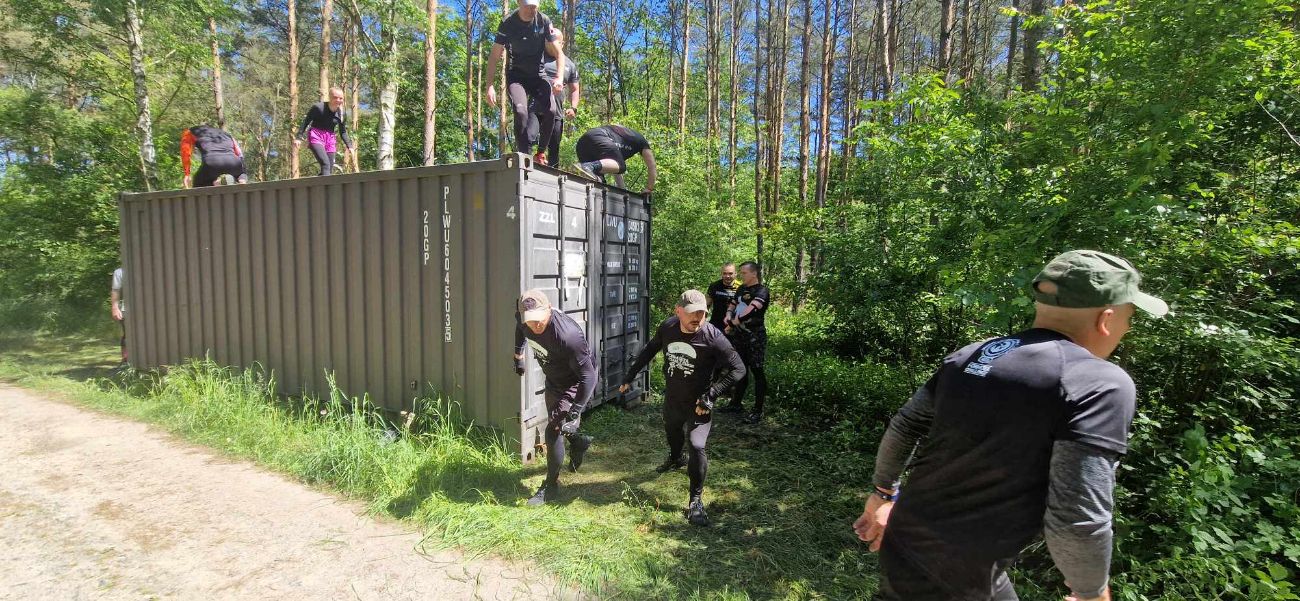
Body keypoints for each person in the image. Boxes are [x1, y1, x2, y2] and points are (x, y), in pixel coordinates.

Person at [852, 250, 1169, 601]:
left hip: (909, 538)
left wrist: (883, 493)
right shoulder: (1098, 384)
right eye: (1130, 317)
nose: (1128, 328)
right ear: (1106, 318)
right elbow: (1076, 515)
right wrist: (1091, 591)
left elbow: (906, 424)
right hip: (962, 571)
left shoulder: (974, 354)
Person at [620, 290, 745, 527]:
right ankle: (676, 458)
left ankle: (695, 500)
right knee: (672, 431)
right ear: (678, 311)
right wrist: (630, 375)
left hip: (699, 403)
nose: (698, 317)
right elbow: (650, 349)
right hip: (673, 398)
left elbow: (739, 369)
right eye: (692, 313)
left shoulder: (712, 336)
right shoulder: (668, 327)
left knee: (697, 445)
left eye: (702, 313)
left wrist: (711, 395)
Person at [514, 289, 595, 506]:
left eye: (539, 319)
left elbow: (589, 376)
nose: (535, 325)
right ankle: (579, 442)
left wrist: (576, 408)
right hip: (554, 380)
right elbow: (520, 329)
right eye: (530, 321)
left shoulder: (568, 335)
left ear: (549, 309)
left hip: (575, 382)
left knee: (553, 431)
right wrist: (518, 355)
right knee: (560, 427)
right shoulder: (524, 319)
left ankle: (550, 487)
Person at [485, 0, 567, 165]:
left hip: (538, 76)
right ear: (518, 3)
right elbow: (494, 56)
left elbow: (559, 53)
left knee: (551, 110)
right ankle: (524, 156)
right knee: (521, 112)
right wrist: (489, 85)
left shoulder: (543, 20)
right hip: (516, 77)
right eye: (528, 7)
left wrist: (559, 77)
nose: (531, 11)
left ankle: (541, 152)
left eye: (534, 7)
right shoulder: (508, 23)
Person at [721, 261, 770, 423]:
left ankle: (757, 410)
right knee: (740, 369)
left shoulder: (762, 291)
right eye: (741, 272)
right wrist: (728, 315)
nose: (741, 275)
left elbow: (752, 309)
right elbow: (733, 304)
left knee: (757, 371)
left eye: (744, 273)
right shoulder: (742, 289)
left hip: (755, 336)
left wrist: (736, 320)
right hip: (739, 336)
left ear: (754, 273)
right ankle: (736, 404)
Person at [526, 29, 580, 167]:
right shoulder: (536, 57)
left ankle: (554, 179)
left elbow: (574, 89)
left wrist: (573, 108)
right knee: (529, 137)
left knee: (554, 146)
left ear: (562, 43)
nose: (552, 44)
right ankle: (524, 171)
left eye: (556, 41)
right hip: (536, 108)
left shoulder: (569, 65)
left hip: (557, 112)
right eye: (549, 41)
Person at [571, 125, 656, 194]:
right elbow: (652, 165)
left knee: (599, 183)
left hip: (583, 142)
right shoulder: (642, 142)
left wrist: (623, 193)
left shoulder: (622, 144)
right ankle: (588, 166)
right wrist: (649, 188)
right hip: (601, 137)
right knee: (621, 166)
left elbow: (616, 171)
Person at [294, 87, 354, 176]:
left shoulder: (342, 114)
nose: (338, 100)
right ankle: (327, 189)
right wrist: (299, 137)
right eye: (335, 97)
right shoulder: (319, 108)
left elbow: (343, 132)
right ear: (330, 97)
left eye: (341, 98)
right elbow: (306, 121)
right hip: (316, 135)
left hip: (330, 138)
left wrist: (350, 146)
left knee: (328, 169)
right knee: (325, 164)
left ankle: (317, 187)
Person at [181, 125, 248, 188]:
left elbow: (185, 153)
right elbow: (240, 154)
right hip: (234, 162)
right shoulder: (225, 134)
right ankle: (241, 180)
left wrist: (187, 174)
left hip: (212, 163)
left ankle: (216, 183)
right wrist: (243, 172)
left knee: (199, 182)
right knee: (239, 173)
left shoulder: (189, 132)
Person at [705, 263, 740, 332]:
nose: (727, 276)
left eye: (730, 273)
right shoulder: (714, 286)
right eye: (724, 273)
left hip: (735, 326)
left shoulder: (741, 287)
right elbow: (706, 305)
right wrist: (702, 321)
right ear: (721, 274)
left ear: (735, 274)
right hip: (716, 324)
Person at [111, 267, 127, 364]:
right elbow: (115, 290)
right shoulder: (119, 272)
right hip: (127, 309)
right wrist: (115, 308)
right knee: (128, 334)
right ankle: (125, 361)